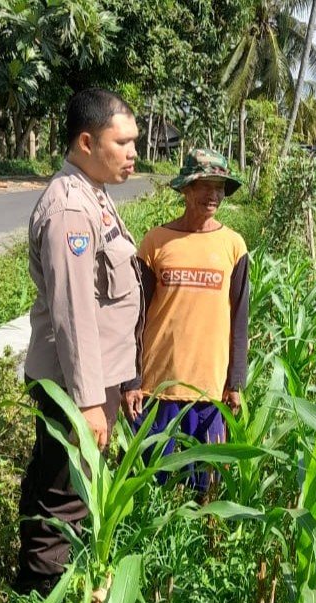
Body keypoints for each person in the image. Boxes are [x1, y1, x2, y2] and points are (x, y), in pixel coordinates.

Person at [15, 88, 143, 595]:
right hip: (75, 385)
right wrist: (90, 402)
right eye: (123, 142)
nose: (134, 153)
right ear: (87, 142)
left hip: (91, 380)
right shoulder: (71, 208)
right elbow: (73, 314)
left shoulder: (94, 193)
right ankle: (41, 602)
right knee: (65, 495)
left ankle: (34, 584)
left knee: (56, 482)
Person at [124, 149, 249, 495]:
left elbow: (240, 319)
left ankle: (203, 544)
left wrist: (235, 382)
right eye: (204, 185)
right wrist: (131, 380)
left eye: (219, 187)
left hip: (209, 388)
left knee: (205, 484)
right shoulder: (156, 242)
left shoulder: (233, 246)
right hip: (157, 385)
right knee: (151, 480)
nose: (213, 195)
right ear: (185, 189)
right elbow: (135, 316)